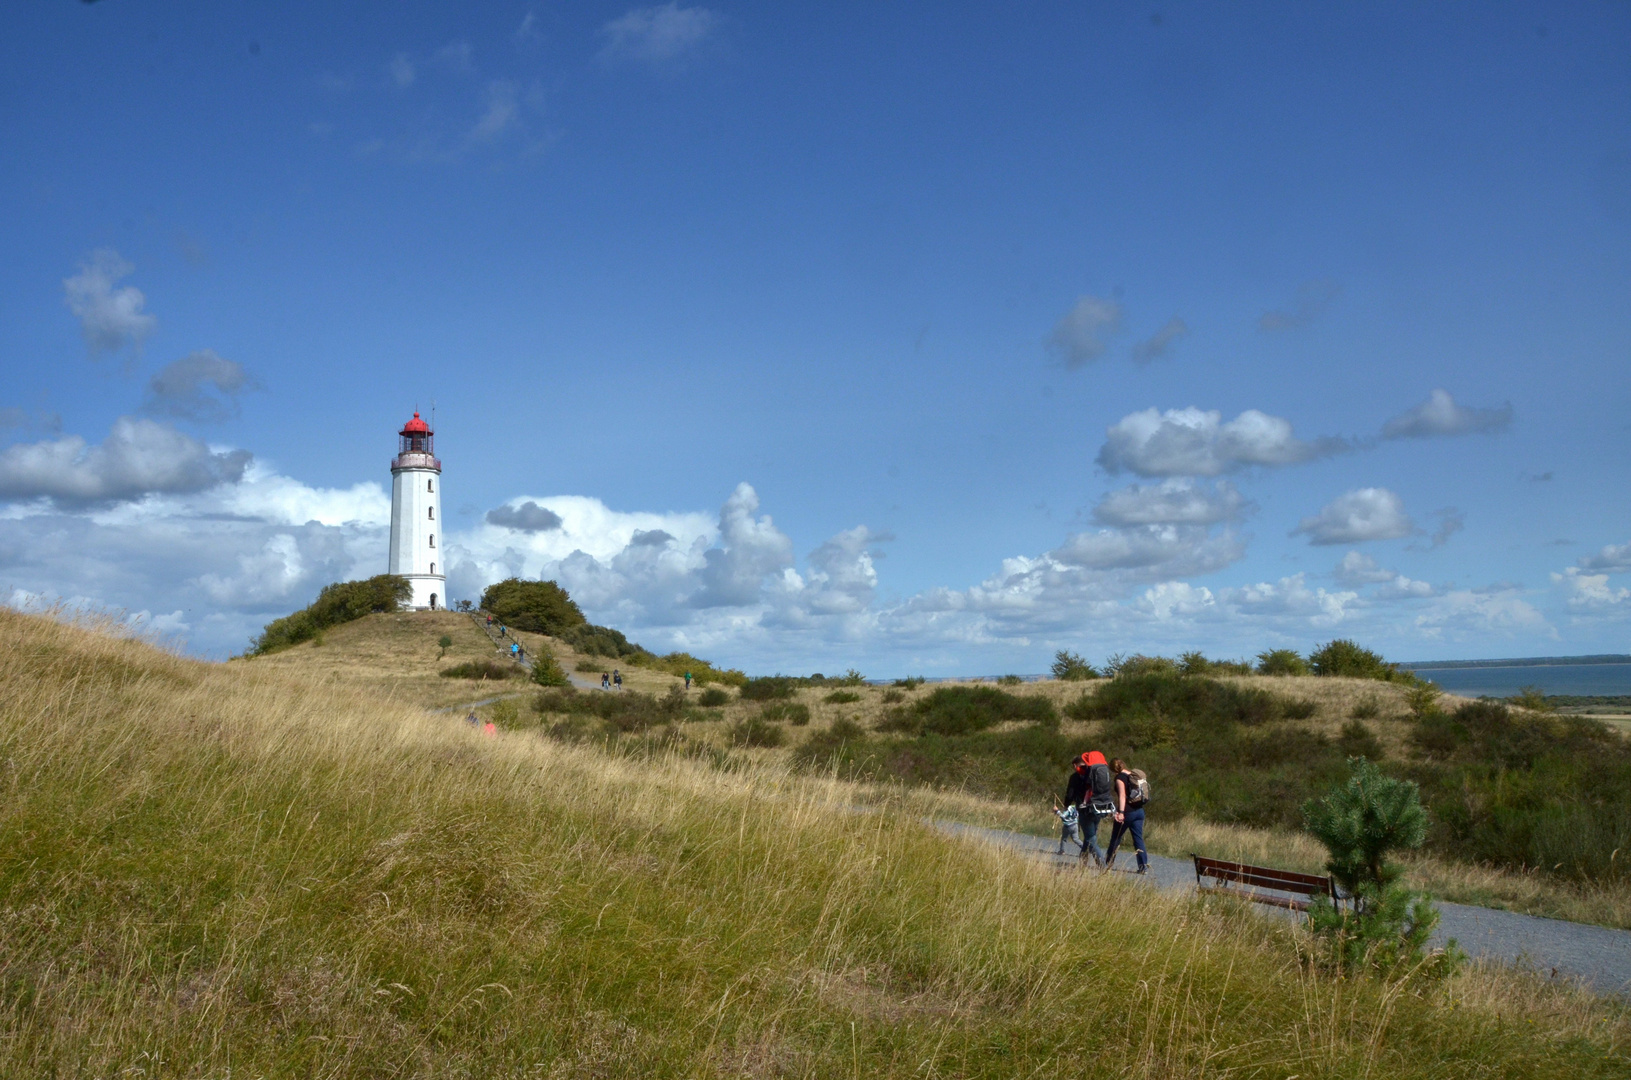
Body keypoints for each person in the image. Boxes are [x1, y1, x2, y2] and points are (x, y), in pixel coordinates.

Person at [1105, 758, 1149, 874]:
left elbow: (1122, 796)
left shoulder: (1120, 778)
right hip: (1139, 811)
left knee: (1116, 838)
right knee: (1138, 839)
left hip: (1128, 812)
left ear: (1113, 769)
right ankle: (1143, 866)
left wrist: (1121, 812)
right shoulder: (1134, 775)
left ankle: (1108, 864)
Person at [1077, 750, 1115, 867]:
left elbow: (1084, 786)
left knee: (1090, 839)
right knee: (1089, 836)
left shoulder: (1090, 771)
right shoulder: (1103, 769)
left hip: (1088, 808)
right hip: (1101, 806)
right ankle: (1082, 864)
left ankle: (1102, 866)